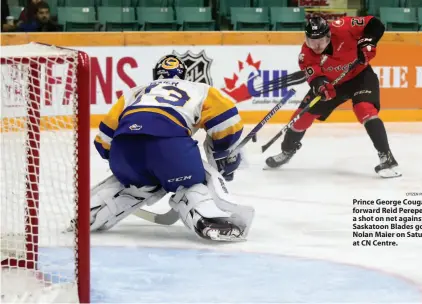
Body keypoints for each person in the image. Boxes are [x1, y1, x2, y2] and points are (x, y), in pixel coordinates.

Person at [89, 54, 254, 242]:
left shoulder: (135, 92)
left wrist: (127, 160)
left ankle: (93, 211)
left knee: (138, 183)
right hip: (170, 148)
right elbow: (228, 123)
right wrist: (223, 151)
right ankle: (207, 219)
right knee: (194, 183)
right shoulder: (200, 89)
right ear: (184, 75)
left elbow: (103, 141)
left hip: (122, 148)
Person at [266, 16, 401, 178]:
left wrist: (368, 41)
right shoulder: (305, 54)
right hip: (332, 84)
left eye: (321, 41)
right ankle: (287, 151)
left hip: (360, 77)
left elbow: (375, 23)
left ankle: (387, 158)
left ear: (329, 36)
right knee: (300, 118)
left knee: (365, 109)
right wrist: (320, 86)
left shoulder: (343, 27)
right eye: (311, 41)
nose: (316, 46)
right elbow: (314, 76)